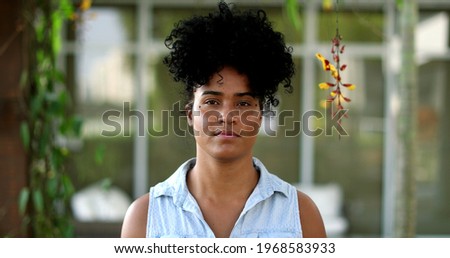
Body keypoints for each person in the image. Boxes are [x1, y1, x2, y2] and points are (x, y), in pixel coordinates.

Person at [121, 1, 326, 238]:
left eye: (243, 103)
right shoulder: (145, 218)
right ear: (190, 114)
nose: (227, 116)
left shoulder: (301, 215)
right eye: (211, 101)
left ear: (259, 116)